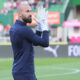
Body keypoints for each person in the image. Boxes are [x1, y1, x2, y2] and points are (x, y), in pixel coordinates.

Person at [9, 2, 49, 80]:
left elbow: (34, 41)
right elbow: (45, 43)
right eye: (27, 11)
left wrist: (38, 28)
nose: (30, 14)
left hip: (21, 71)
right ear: (20, 14)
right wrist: (44, 26)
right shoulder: (24, 29)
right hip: (25, 73)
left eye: (31, 11)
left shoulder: (14, 27)